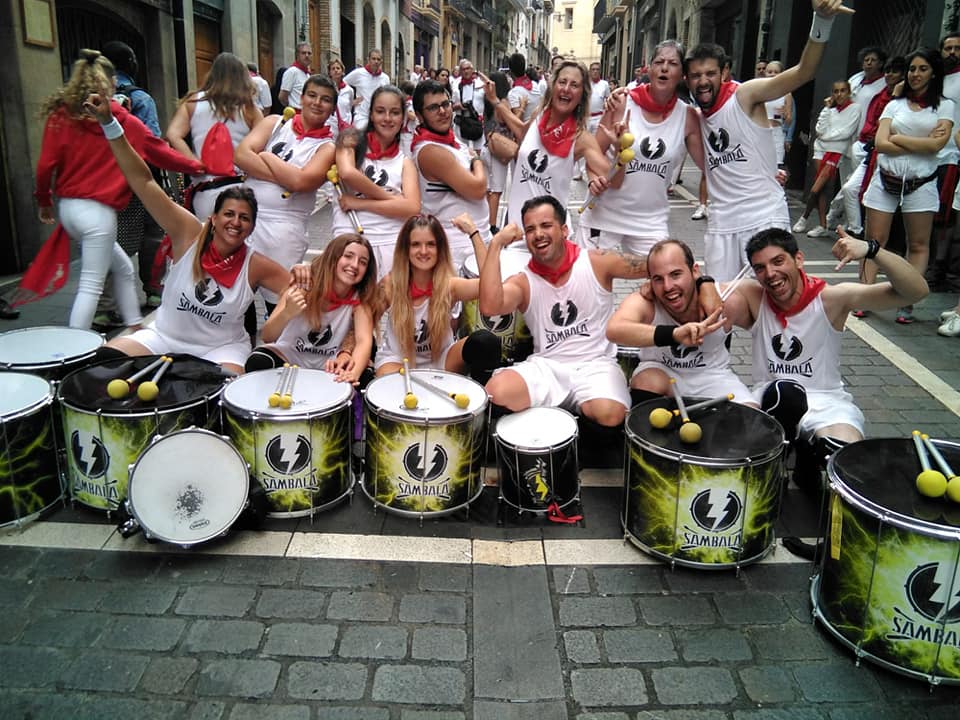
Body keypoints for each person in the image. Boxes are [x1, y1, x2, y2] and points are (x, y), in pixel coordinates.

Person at [84, 90, 296, 374]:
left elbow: (301, 293)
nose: (235, 222)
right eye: (229, 214)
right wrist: (110, 124)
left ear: (252, 227)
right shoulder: (188, 234)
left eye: (244, 218)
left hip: (221, 349)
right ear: (213, 218)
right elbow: (143, 181)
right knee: (102, 364)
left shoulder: (256, 265)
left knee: (227, 388)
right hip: (163, 337)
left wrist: (302, 282)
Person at [33, 49, 201, 331]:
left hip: (69, 210)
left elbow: (45, 165)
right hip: (98, 213)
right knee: (91, 285)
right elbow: (158, 152)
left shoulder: (61, 116)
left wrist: (44, 201)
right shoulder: (121, 122)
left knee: (123, 269)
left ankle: (135, 325)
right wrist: (198, 166)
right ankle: (76, 345)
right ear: (111, 83)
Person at [683, 0, 850, 281]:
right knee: (720, 301)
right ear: (687, 80)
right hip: (722, 224)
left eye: (710, 73)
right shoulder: (695, 117)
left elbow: (804, 71)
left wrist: (822, 20)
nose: (703, 81)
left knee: (775, 298)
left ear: (724, 73)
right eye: (696, 75)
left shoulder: (745, 95)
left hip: (763, 217)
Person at [478, 195, 649, 429]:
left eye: (546, 225)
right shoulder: (523, 281)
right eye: (530, 229)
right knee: (496, 391)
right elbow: (489, 306)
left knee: (610, 414)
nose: (538, 234)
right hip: (548, 367)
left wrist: (673, 283)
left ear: (564, 230)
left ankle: (581, 427)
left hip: (596, 365)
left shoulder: (597, 262)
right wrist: (496, 243)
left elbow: (653, 265)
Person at [577, 40, 704, 257]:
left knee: (662, 275)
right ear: (649, 69)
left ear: (682, 74)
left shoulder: (688, 117)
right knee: (587, 277)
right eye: (659, 62)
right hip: (604, 213)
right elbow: (593, 152)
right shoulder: (622, 103)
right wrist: (592, 180)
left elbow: (709, 166)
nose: (664, 68)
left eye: (673, 63)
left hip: (650, 222)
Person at [859, 47, 954, 324]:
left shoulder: (945, 106)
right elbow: (880, 143)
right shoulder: (894, 104)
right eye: (912, 69)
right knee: (874, 242)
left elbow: (936, 146)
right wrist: (920, 144)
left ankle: (907, 301)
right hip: (885, 179)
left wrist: (898, 138)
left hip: (922, 182)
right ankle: (864, 296)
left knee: (919, 244)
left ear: (933, 72)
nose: (915, 74)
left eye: (923, 69)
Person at [606, 239, 750, 406]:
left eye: (675, 274)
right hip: (663, 373)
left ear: (694, 271)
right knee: (647, 381)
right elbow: (614, 330)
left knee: (749, 412)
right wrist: (674, 334)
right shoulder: (647, 302)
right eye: (658, 279)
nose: (668, 287)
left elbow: (763, 315)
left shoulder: (725, 300)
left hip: (713, 376)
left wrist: (706, 282)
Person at [235, 74, 338, 307]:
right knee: (235, 296)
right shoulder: (274, 122)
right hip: (246, 218)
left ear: (332, 108)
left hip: (284, 230)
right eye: (312, 95)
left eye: (325, 99)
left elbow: (301, 183)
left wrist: (265, 155)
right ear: (301, 98)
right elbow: (241, 155)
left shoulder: (327, 147)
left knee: (279, 301)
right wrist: (286, 177)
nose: (317, 103)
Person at [483, 60, 611, 228]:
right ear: (553, 87)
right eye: (562, 82)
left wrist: (615, 147)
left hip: (549, 234)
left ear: (582, 95)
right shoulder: (539, 115)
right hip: (515, 226)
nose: (566, 89)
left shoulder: (581, 138)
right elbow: (521, 132)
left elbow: (612, 178)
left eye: (574, 85)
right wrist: (495, 100)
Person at [375, 213, 500, 381]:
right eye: (416, 244)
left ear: (440, 249)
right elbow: (365, 317)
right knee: (391, 381)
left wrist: (473, 232)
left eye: (431, 244)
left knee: (485, 342)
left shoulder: (449, 286)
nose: (423, 251)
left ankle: (485, 393)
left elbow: (490, 286)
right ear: (406, 249)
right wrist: (355, 353)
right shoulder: (391, 284)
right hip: (398, 361)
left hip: (442, 360)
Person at [246, 233, 378, 382]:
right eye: (348, 256)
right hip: (291, 355)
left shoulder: (360, 300)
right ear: (332, 257)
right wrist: (286, 313)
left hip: (330, 362)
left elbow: (364, 341)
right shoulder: (305, 285)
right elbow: (267, 336)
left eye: (363, 262)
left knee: (365, 374)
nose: (354, 265)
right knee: (258, 360)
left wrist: (353, 373)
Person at [334, 85, 420, 279]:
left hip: (391, 240)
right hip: (350, 237)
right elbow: (347, 173)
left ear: (403, 118)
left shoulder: (405, 162)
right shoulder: (350, 140)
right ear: (371, 115)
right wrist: (392, 199)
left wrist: (359, 203)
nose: (387, 118)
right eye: (380, 111)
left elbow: (413, 208)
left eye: (395, 113)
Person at [166, 52, 263, 221]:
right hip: (241, 189)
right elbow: (263, 147)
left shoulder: (193, 103)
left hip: (204, 188)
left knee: (207, 234)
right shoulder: (250, 109)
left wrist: (193, 162)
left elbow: (172, 134)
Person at [411, 79, 491, 266]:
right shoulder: (430, 151)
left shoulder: (450, 141)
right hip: (457, 247)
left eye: (445, 104)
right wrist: (477, 161)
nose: (442, 111)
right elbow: (478, 188)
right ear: (419, 116)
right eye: (433, 108)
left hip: (473, 239)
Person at [831, 56, 906, 240]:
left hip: (890, 156)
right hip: (867, 149)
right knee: (850, 188)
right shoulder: (879, 95)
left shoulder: (904, 100)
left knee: (870, 195)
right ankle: (855, 230)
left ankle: (863, 234)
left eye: (895, 72)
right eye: (888, 71)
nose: (890, 75)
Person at [791, 80, 860, 238]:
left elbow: (846, 132)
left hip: (836, 150)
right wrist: (827, 108)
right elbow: (819, 129)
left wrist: (826, 137)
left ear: (849, 92)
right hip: (820, 149)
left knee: (816, 188)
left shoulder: (855, 108)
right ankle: (823, 225)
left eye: (843, 91)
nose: (839, 94)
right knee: (821, 189)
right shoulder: (830, 110)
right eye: (836, 91)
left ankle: (804, 217)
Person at [926, 32, 960, 292]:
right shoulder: (933, 79)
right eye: (948, 48)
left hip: (951, 155)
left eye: (957, 48)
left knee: (943, 217)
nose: (952, 53)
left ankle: (938, 269)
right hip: (926, 153)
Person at [573, 62, 611, 181]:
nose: (595, 71)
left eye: (597, 69)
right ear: (590, 71)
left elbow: (608, 99)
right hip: (586, 117)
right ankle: (579, 172)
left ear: (600, 71)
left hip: (599, 117)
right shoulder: (585, 84)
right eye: (593, 69)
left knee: (596, 145)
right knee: (580, 142)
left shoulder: (604, 84)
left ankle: (592, 170)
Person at [344, 48, 391, 131]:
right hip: (361, 115)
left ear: (381, 61)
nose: (376, 61)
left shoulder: (385, 78)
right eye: (373, 59)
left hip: (378, 116)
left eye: (378, 59)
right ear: (368, 60)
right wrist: (351, 101)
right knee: (360, 137)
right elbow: (343, 83)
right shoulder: (359, 73)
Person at [761, 61, 794, 169]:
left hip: (777, 133)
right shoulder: (760, 91)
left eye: (776, 72)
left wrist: (785, 115)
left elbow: (789, 120)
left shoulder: (786, 93)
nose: (772, 74)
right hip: (761, 132)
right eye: (770, 72)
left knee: (776, 166)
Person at [452, 58, 485, 150]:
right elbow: (451, 105)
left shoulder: (480, 84)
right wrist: (457, 106)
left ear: (472, 70)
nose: (466, 71)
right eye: (463, 69)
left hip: (477, 121)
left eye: (468, 68)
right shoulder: (455, 84)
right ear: (460, 71)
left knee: (479, 149)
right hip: (461, 122)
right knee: (461, 150)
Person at [278, 43, 312, 110]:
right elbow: (282, 97)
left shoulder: (307, 75)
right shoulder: (291, 72)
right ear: (297, 55)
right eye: (303, 53)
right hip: (295, 112)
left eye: (309, 53)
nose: (307, 55)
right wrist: (292, 107)